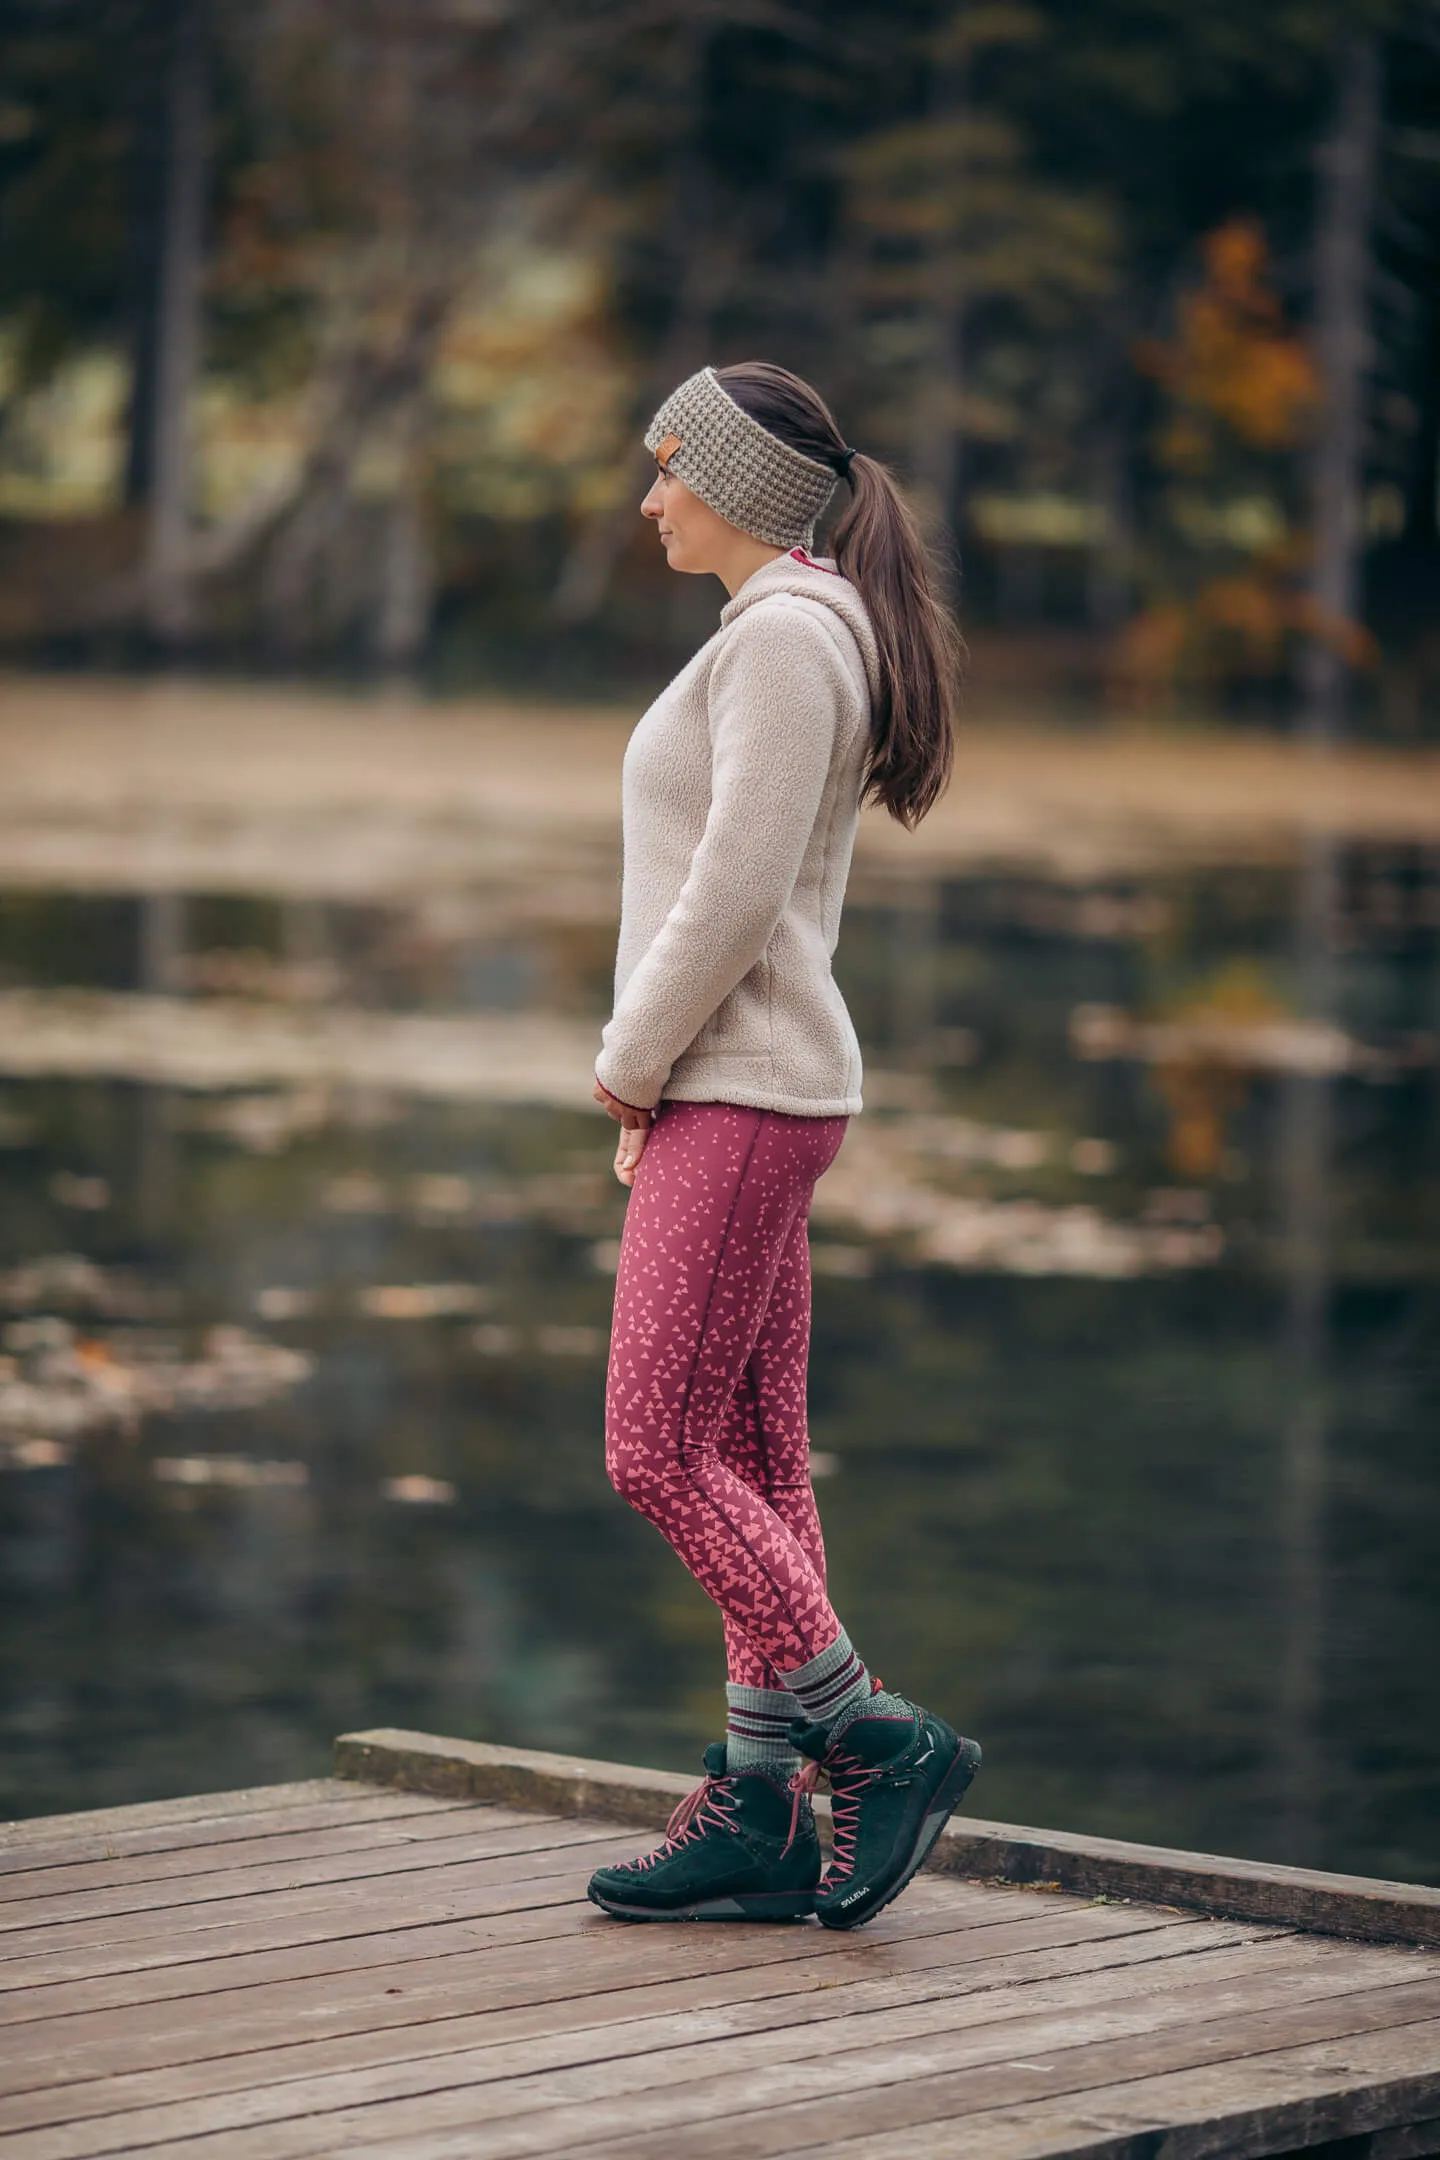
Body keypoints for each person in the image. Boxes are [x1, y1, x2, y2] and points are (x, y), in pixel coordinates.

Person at [586, 361, 980, 1932]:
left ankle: (875, 1737)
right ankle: (761, 1802)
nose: (648, 498)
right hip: (747, 1095)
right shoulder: (782, 632)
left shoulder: (786, 643)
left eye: (667, 469)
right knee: (746, 1456)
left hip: (738, 1095)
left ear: (740, 486)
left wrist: (628, 1068)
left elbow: (737, 890)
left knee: (651, 1450)